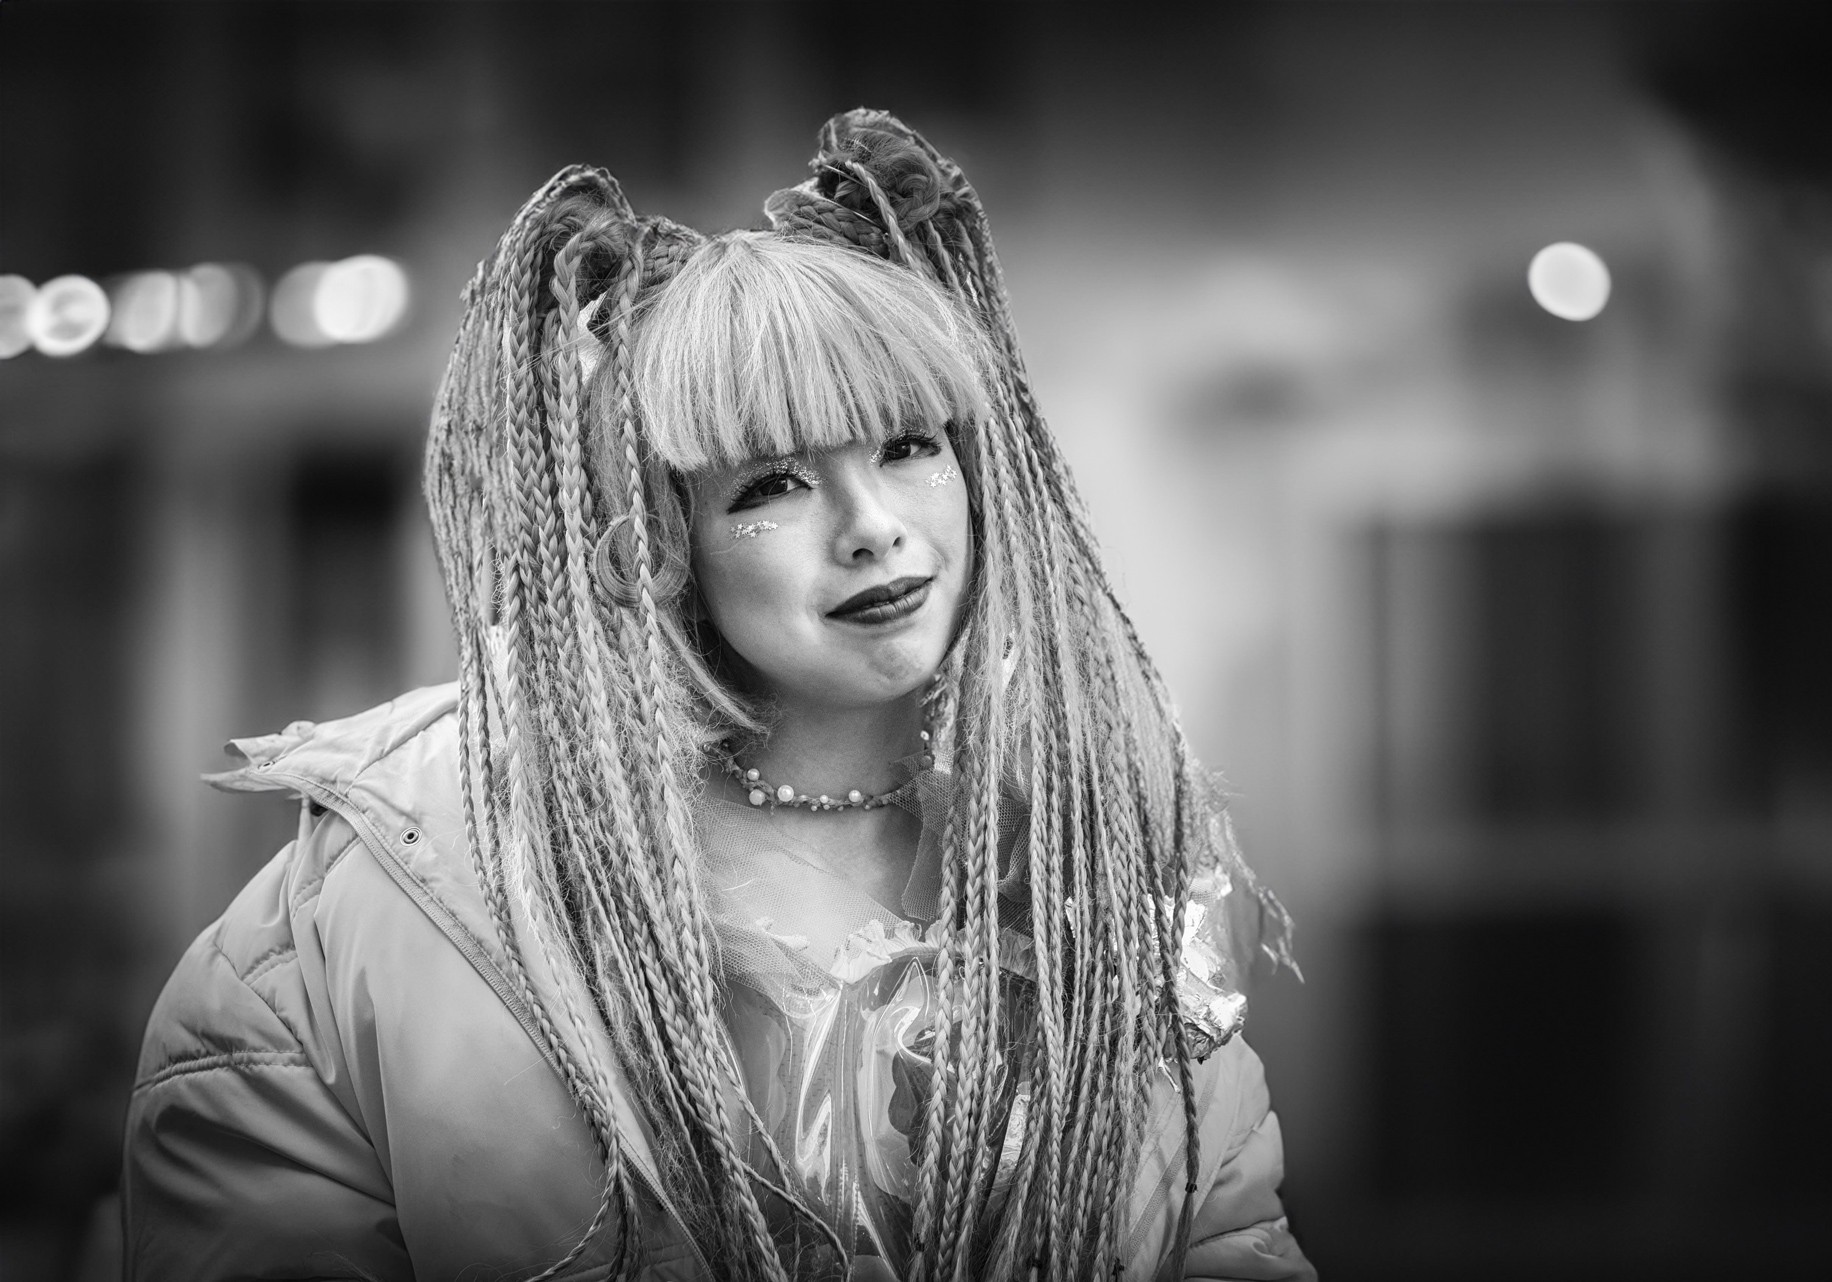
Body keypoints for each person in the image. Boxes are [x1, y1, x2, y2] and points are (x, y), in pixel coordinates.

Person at [122, 109, 1316, 1282]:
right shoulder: (402, 892)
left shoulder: (1080, 861)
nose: (873, 526)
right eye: (772, 484)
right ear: (657, 539)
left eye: (909, 445)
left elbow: (1223, 1236)